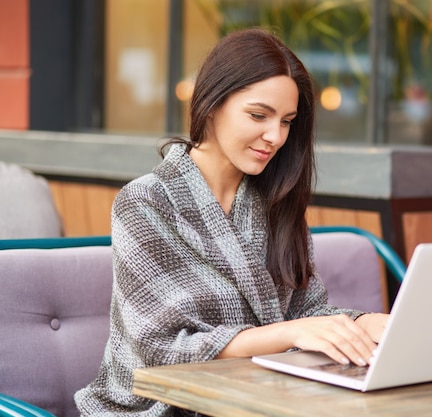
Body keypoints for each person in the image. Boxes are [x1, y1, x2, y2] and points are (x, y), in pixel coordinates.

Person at [75, 27, 388, 416]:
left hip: (259, 399)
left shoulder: (277, 203)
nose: (275, 136)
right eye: (259, 115)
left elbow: (307, 315)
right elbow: (160, 349)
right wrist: (289, 333)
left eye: (287, 121)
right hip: (158, 408)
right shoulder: (145, 202)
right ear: (212, 103)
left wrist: (368, 323)